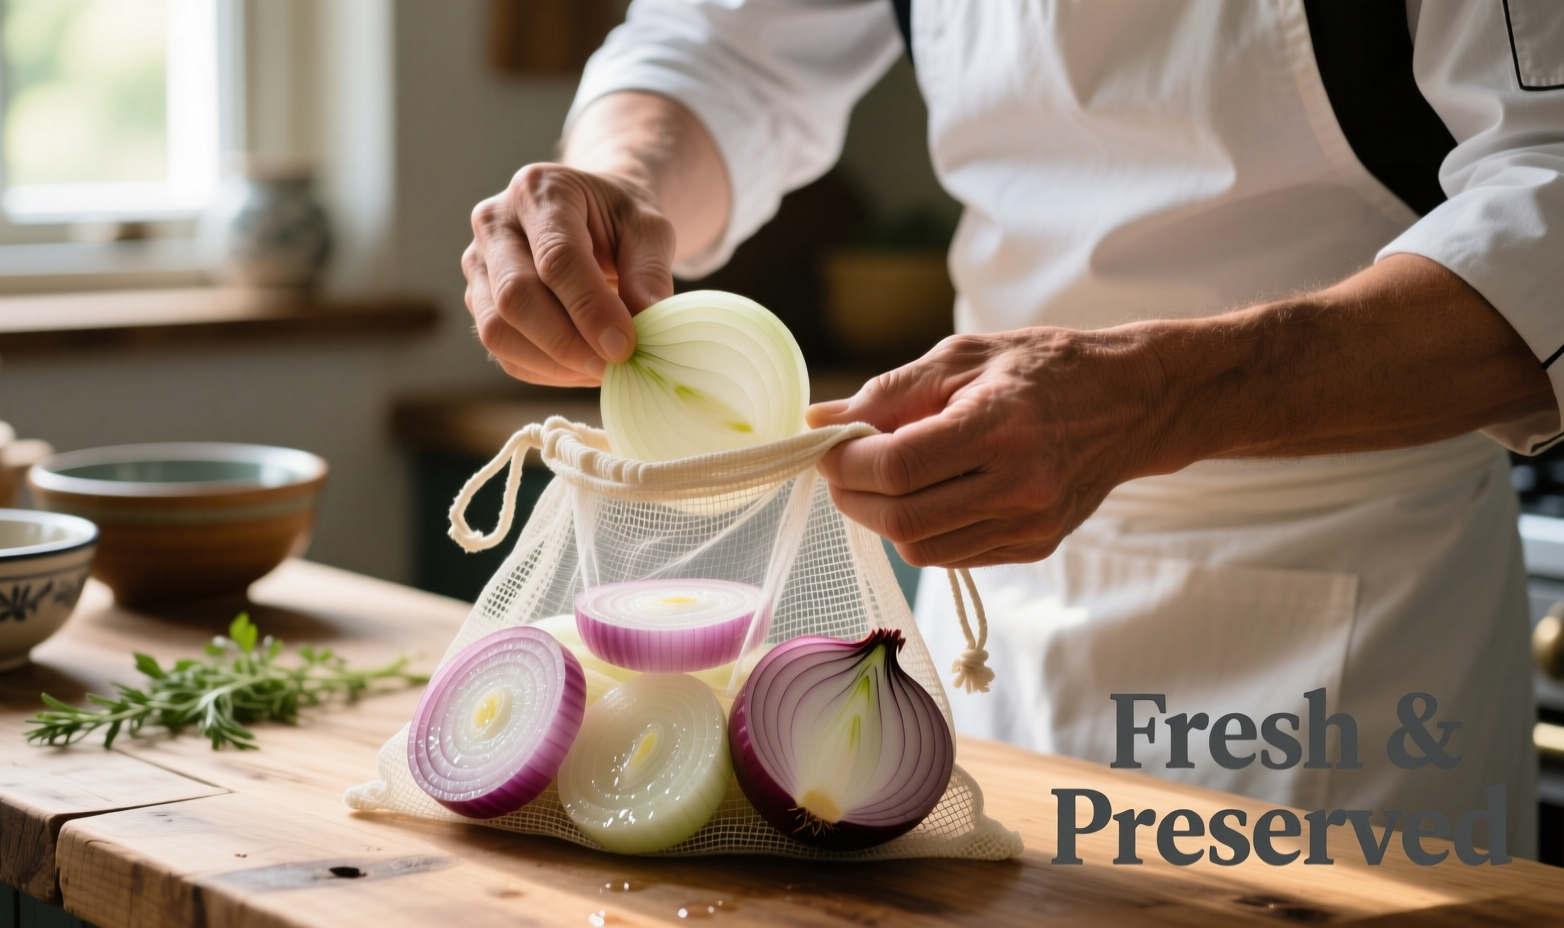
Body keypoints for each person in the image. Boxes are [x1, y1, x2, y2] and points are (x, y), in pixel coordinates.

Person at [462, 0, 1563, 855]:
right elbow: (719, 51)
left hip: (1355, 629)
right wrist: (612, 188)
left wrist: (1160, 393)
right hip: (994, 610)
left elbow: (1546, 199)